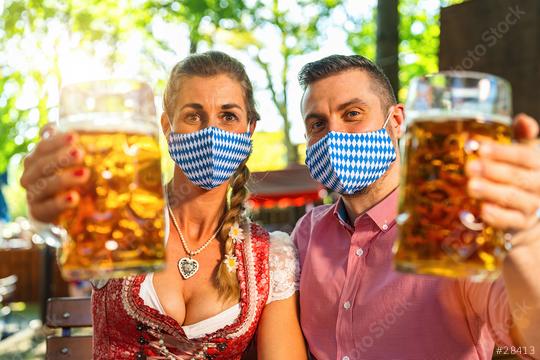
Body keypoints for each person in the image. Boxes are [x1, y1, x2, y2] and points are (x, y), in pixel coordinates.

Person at [20, 51, 307, 359]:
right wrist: (44, 205)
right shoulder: (121, 220)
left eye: (228, 116)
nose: (211, 132)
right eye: (193, 116)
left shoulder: (270, 256)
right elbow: (63, 223)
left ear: (249, 130)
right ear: (167, 127)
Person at [293, 55, 540, 360]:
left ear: (396, 122)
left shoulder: (454, 229)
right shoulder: (307, 233)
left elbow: (530, 337)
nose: (334, 135)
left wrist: (528, 240)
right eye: (318, 124)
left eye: (353, 113)